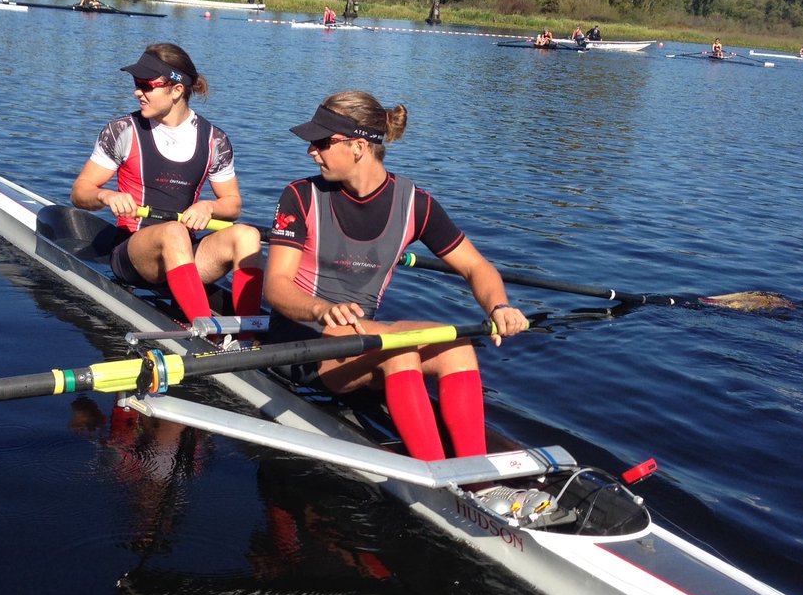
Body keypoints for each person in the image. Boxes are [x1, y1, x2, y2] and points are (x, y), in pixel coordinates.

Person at [264, 91, 529, 462]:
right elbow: (275, 285)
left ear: (358, 146)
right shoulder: (299, 196)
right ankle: (436, 476)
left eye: (322, 142)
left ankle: (477, 473)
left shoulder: (416, 204)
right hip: (301, 340)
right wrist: (321, 308)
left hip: (364, 339)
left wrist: (499, 306)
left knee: (458, 349)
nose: (311, 151)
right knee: (399, 351)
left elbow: (476, 267)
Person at [70, 43, 263, 325]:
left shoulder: (215, 140)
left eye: (147, 85)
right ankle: (204, 332)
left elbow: (232, 205)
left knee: (247, 235)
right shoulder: (122, 131)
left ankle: (251, 333)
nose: (138, 91)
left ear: (176, 90)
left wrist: (209, 207)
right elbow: (79, 192)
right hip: (133, 256)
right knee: (173, 232)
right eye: (137, 83)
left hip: (185, 254)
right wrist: (105, 196)